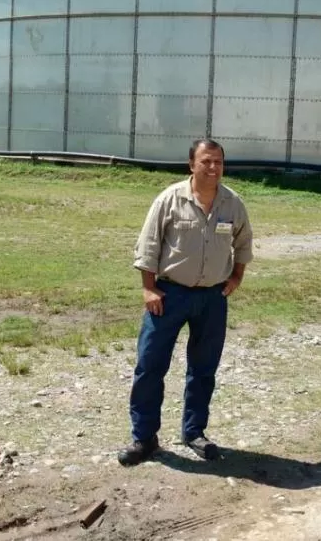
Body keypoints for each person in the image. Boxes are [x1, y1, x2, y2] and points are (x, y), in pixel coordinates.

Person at [117, 138, 253, 467]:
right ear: (191, 164)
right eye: (206, 161)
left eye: (218, 162)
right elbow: (148, 244)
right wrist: (148, 289)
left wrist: (235, 278)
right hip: (169, 294)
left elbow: (244, 243)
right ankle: (144, 437)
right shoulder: (170, 199)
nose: (213, 167)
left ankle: (194, 433)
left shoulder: (232, 203)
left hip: (212, 297)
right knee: (150, 366)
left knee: (203, 370)